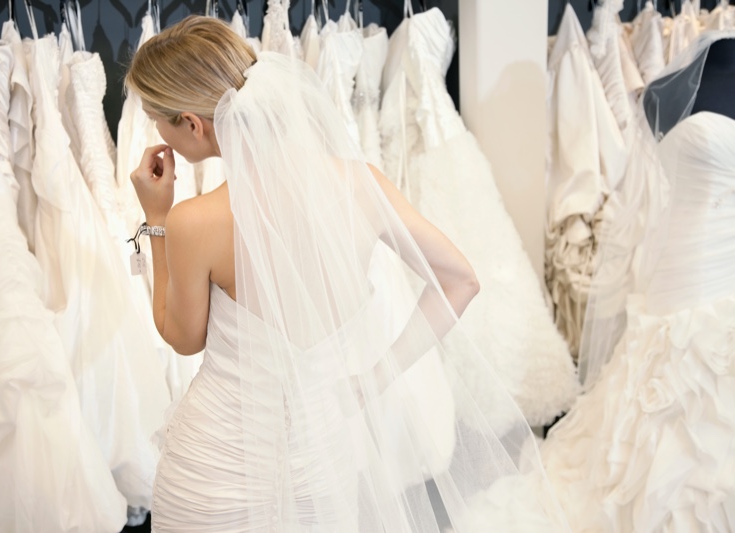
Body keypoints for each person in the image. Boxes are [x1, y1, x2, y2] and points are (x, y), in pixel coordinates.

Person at [127, 15, 567, 532]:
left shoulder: (194, 221)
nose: (159, 132)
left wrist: (156, 220)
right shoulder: (361, 185)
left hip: (219, 463)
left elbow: (182, 338)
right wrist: (373, 378)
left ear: (193, 124)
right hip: (322, 455)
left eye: (158, 118)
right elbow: (461, 281)